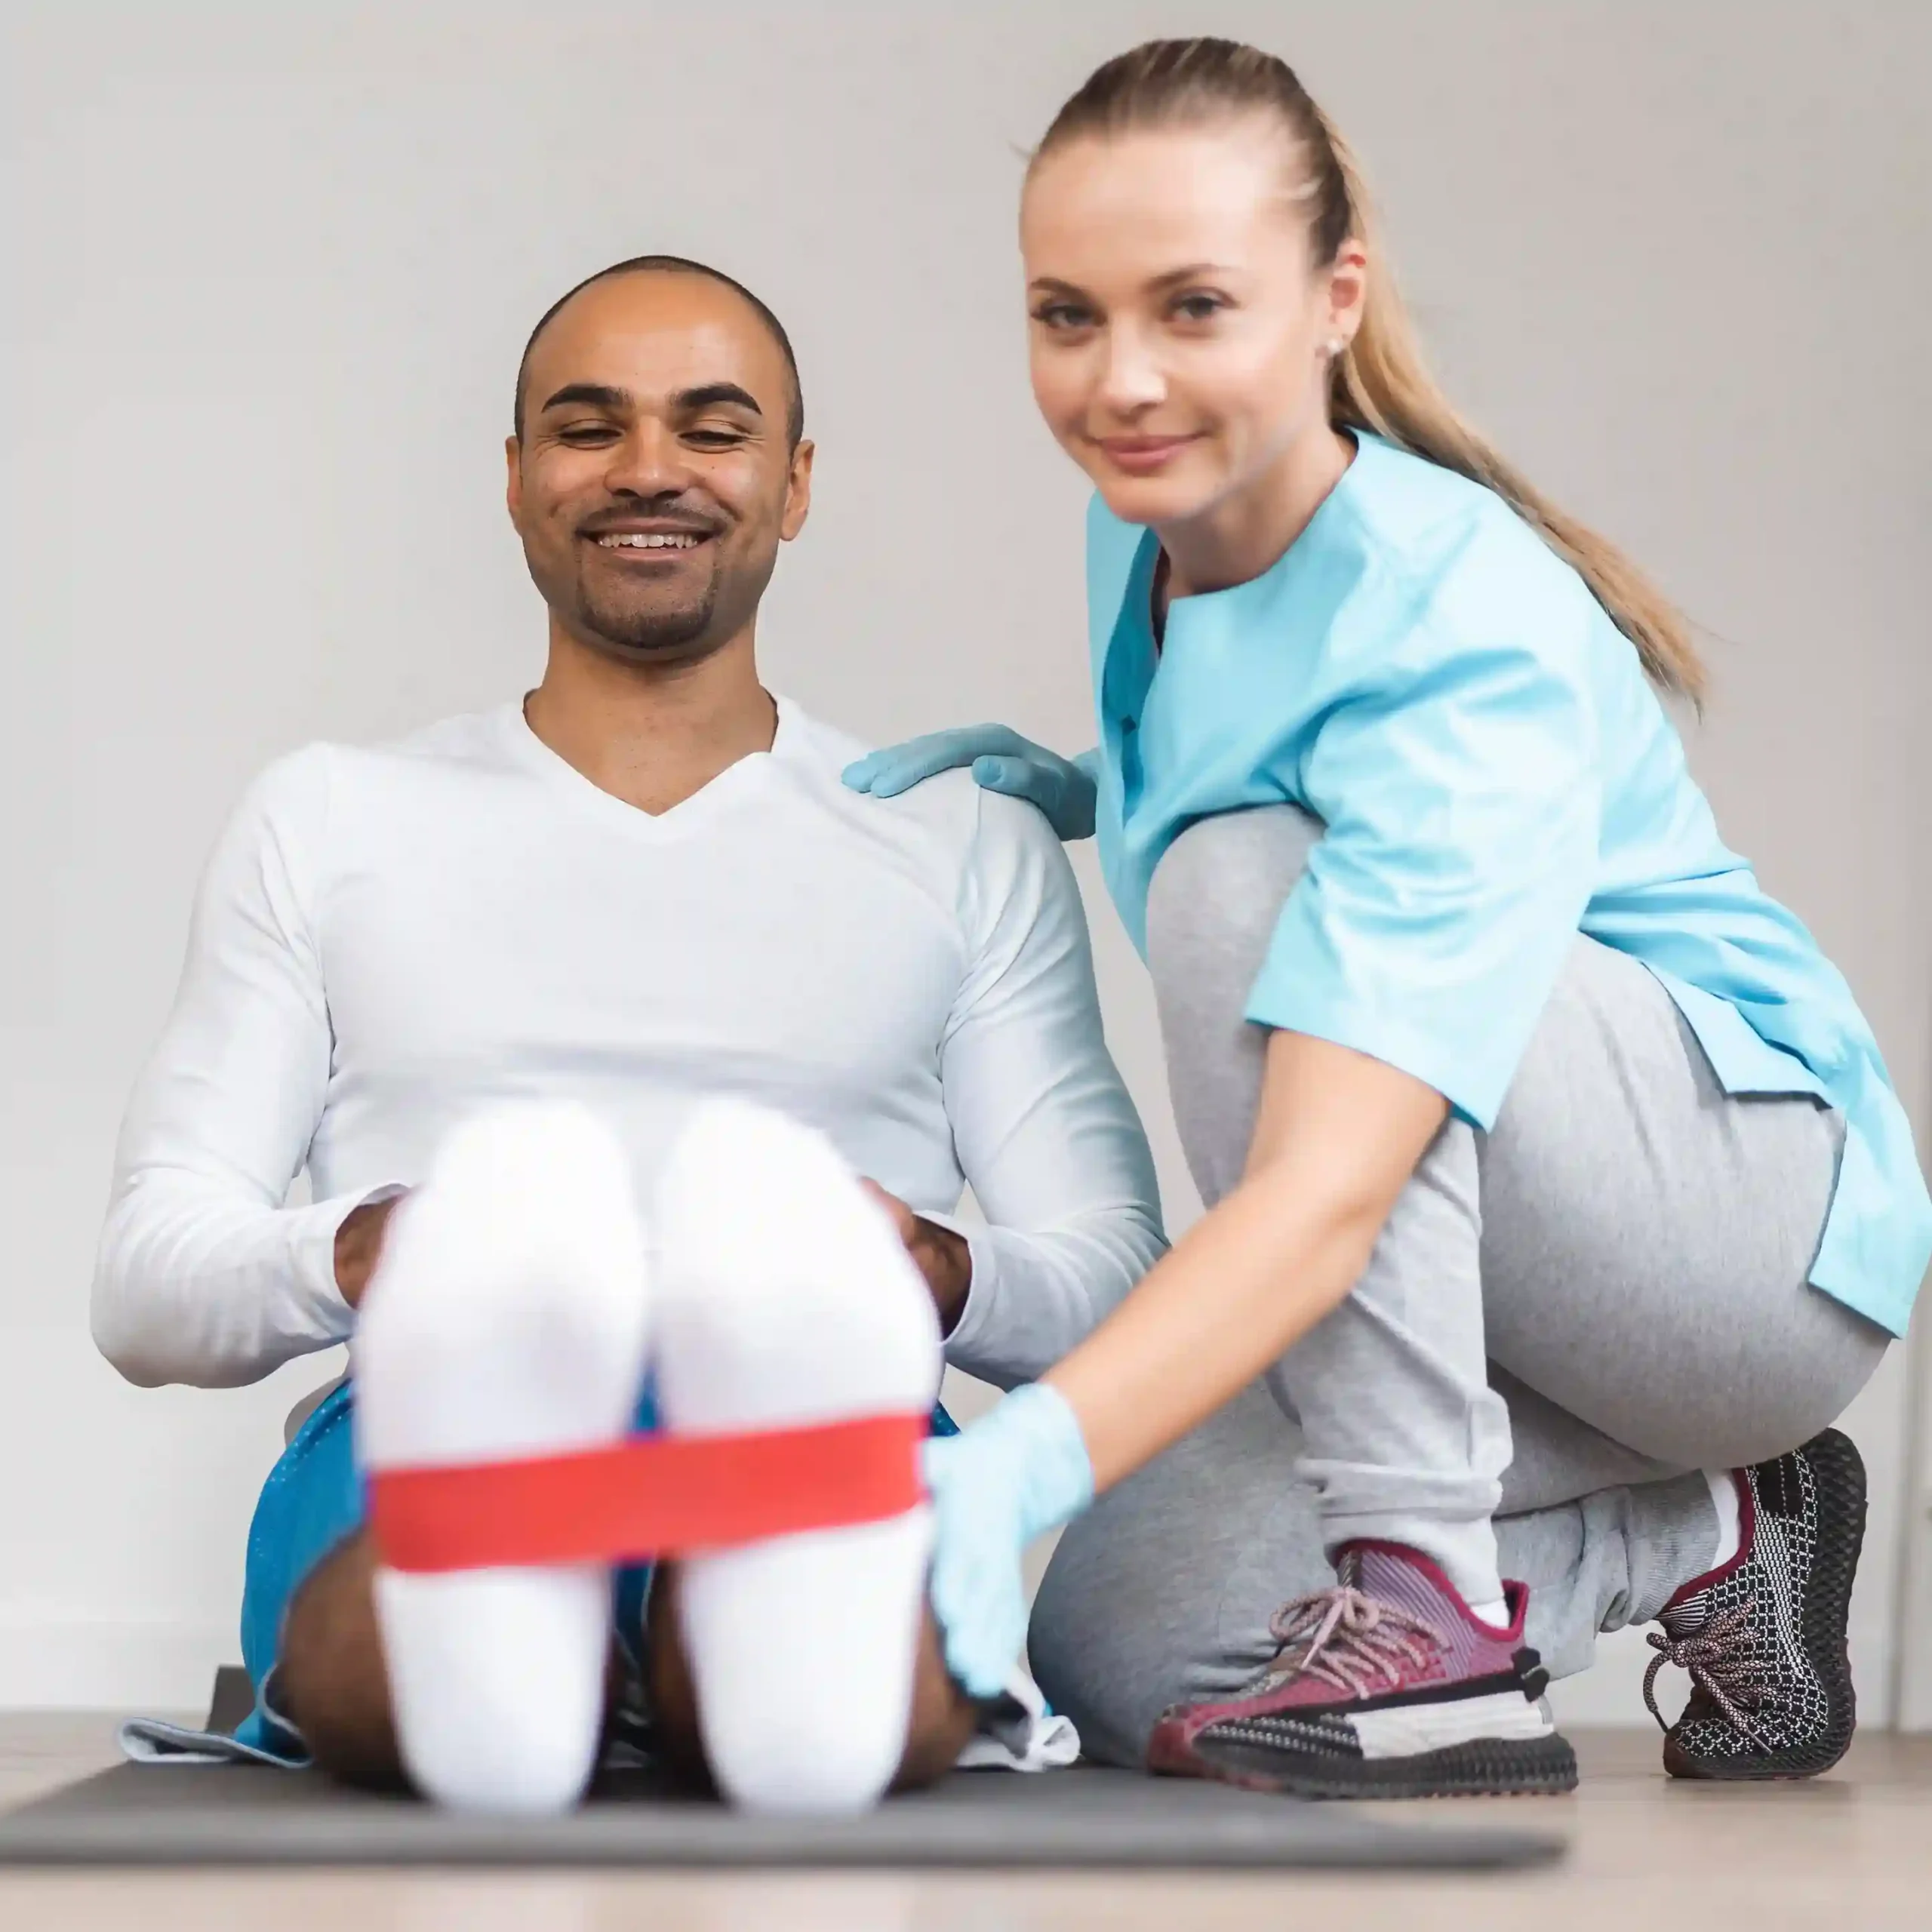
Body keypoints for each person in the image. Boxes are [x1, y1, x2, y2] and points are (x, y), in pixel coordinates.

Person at [846, 37, 1931, 1798]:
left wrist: (1018, 1456)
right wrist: (1086, 777)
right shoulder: (1154, 521)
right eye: (1066, 315)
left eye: (1192, 307)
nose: (1120, 379)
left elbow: (1326, 1180)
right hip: (1499, 1264)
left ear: (1332, 299)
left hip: (1740, 1240)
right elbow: (1280, 729)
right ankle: (1713, 1527)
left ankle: (1432, 1603)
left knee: (1236, 881)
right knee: (1129, 1643)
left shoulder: (1460, 630)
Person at [93, 254, 1164, 1812]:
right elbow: (147, 1283)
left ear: (794, 485)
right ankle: (537, 1588)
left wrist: (938, 1270)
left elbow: (1116, 1287)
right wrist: (367, 1250)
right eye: (587, 426)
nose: (647, 468)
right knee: (392, 1597)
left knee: (849, 1619)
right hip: (425, 1399)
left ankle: (697, 1612)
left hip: (835, 1390)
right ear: (518, 479)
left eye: (710, 428)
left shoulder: (955, 840)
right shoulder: (329, 816)